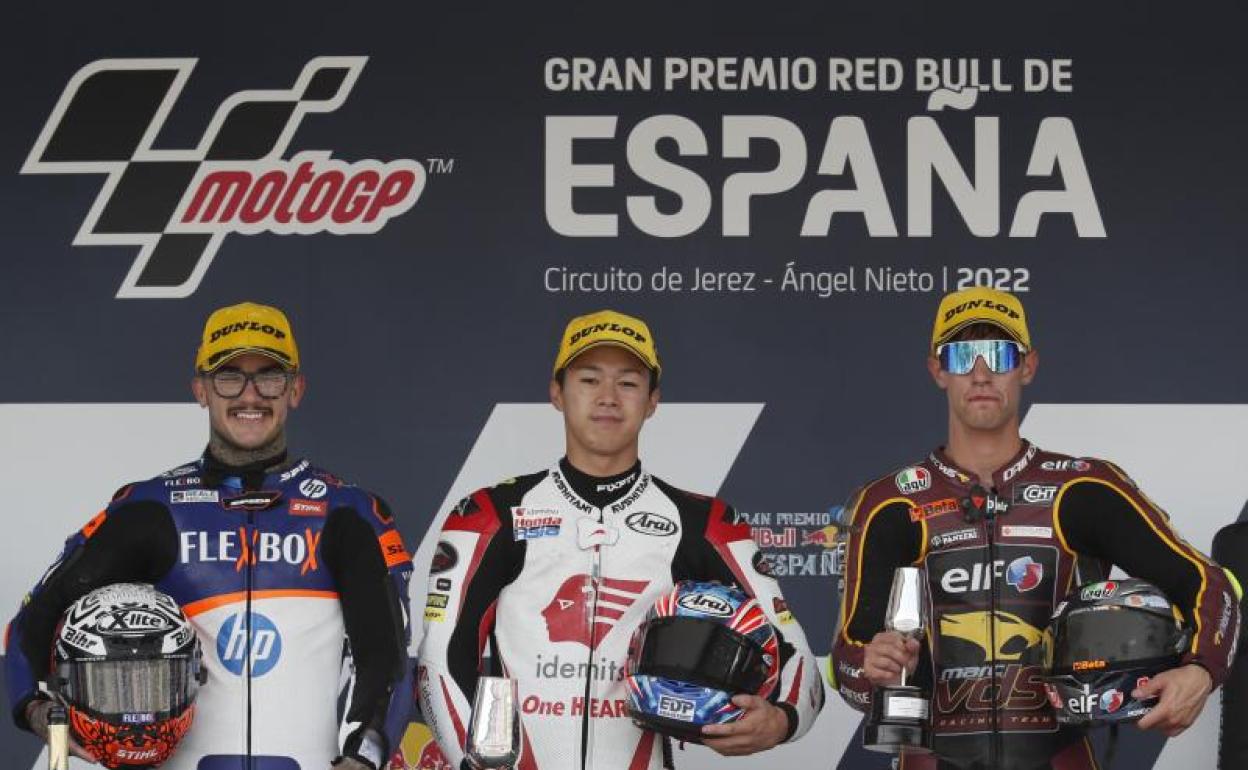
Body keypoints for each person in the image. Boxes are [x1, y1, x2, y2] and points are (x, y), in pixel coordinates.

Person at [830, 286, 1242, 770]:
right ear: (938, 370)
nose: (981, 373)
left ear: (1027, 366)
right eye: (962, 356)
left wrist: (1200, 671)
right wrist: (871, 669)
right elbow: (847, 663)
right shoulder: (891, 504)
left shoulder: (1083, 489)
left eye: (999, 355)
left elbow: (1211, 585)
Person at [5, 302, 414, 770]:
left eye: (269, 377)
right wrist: (38, 711)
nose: (250, 395)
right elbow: (31, 624)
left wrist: (363, 758)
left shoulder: (347, 512)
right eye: (228, 377)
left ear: (295, 390)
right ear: (200, 390)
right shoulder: (151, 508)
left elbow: (388, 658)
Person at [416, 309, 824, 770]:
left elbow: (795, 654)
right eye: (589, 380)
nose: (608, 397)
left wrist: (782, 720)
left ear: (653, 401)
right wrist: (475, 765)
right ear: (557, 393)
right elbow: (439, 660)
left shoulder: (705, 523)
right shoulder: (490, 514)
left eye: (628, 383)